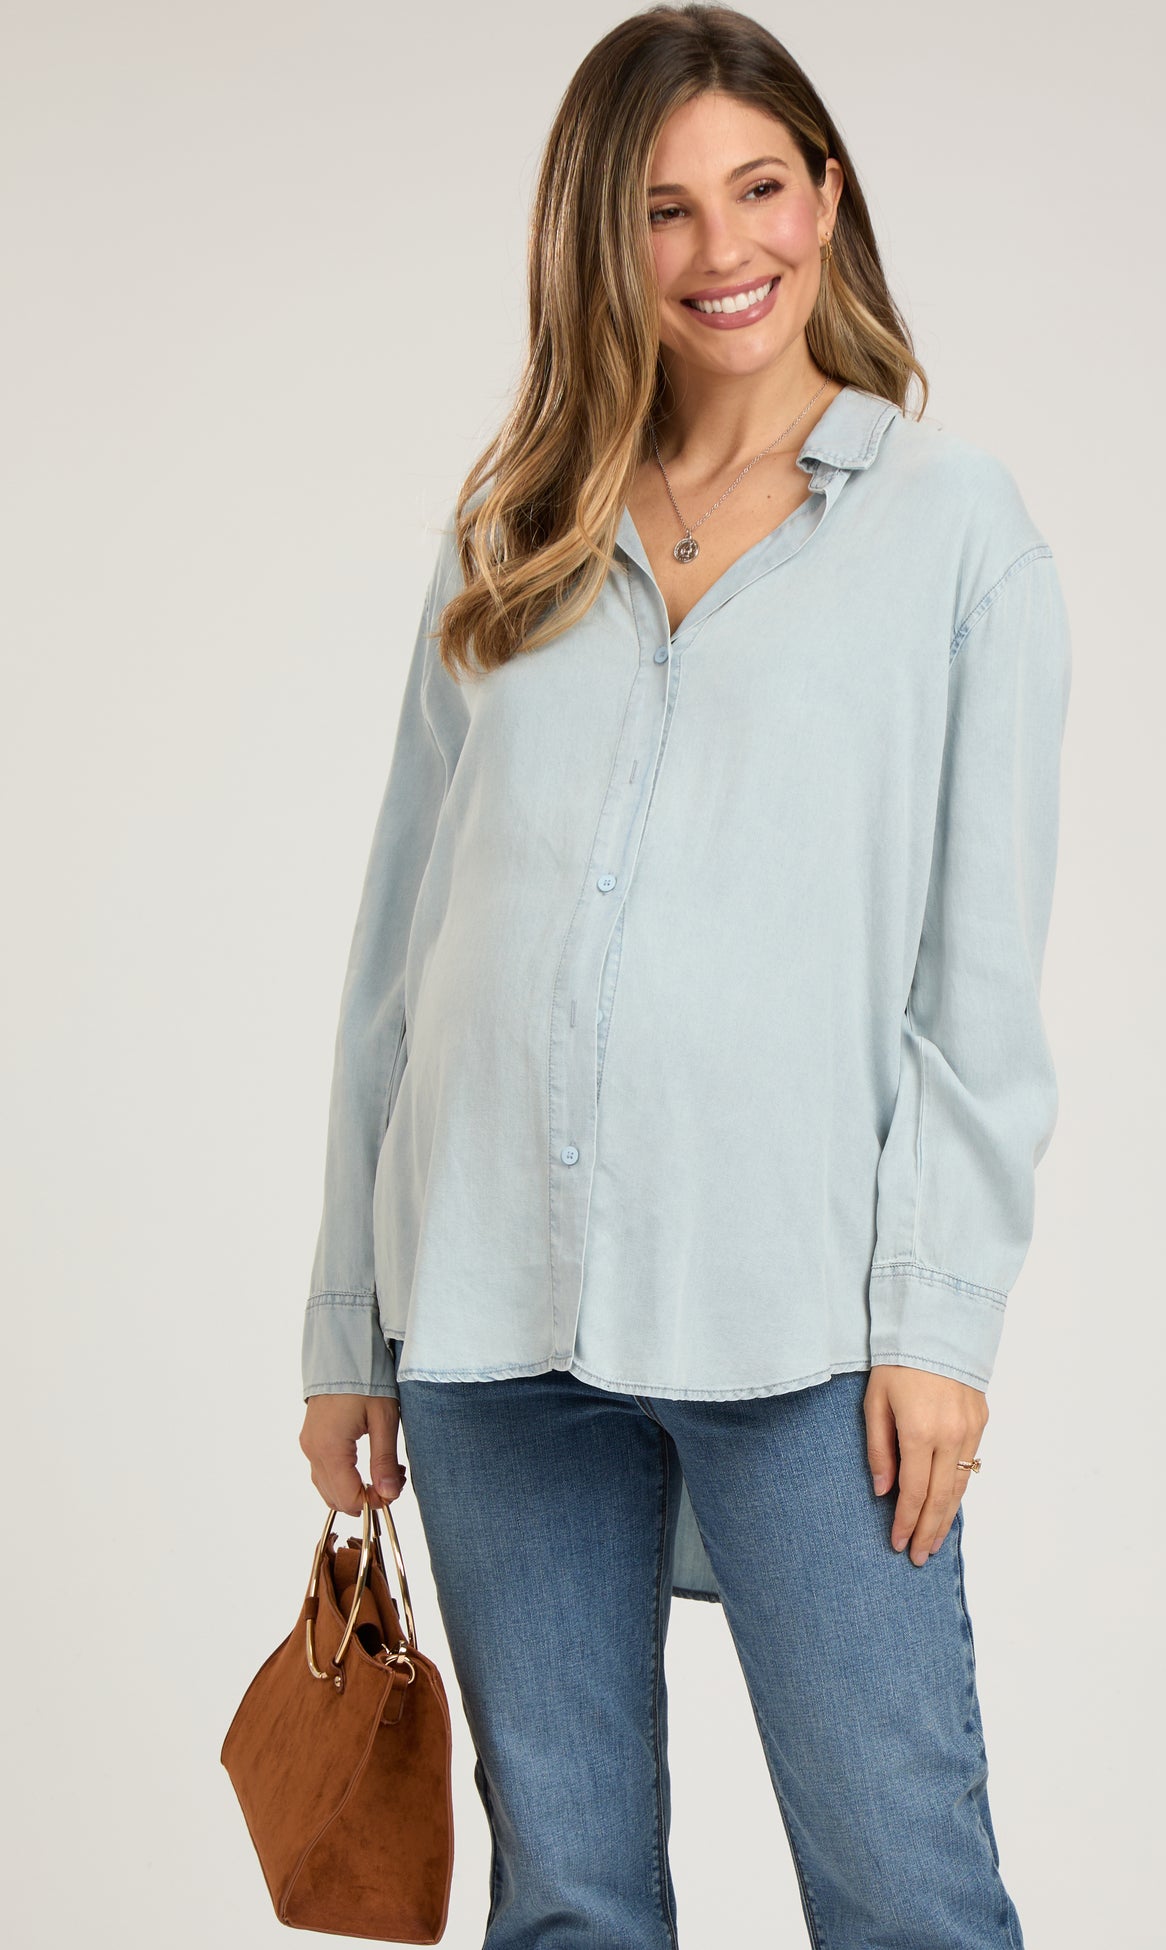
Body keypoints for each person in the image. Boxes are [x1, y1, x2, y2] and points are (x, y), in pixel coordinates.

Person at [298, 6, 1070, 1945]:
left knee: (905, 1892)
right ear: (598, 240)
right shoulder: (513, 530)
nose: (724, 249)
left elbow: (976, 986)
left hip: (799, 1319)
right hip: (486, 1308)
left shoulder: (952, 530)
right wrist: (346, 1323)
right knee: (565, 1901)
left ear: (828, 198)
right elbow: (400, 949)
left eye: (758, 188)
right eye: (662, 209)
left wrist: (943, 1323)